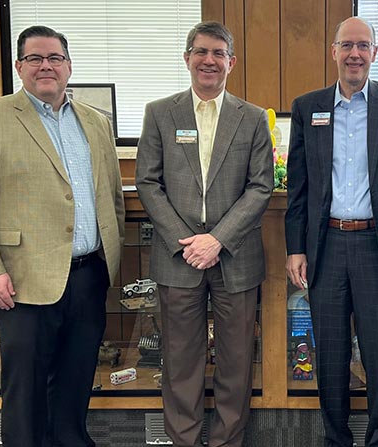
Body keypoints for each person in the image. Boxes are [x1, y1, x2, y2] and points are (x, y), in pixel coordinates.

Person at [0, 25, 125, 447]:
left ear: (69, 66)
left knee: (76, 383)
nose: (46, 66)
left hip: (88, 276)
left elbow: (112, 196)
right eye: (35, 58)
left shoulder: (96, 123)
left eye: (55, 58)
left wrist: (109, 260)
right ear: (19, 66)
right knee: (26, 390)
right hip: (21, 281)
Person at [285, 17, 378, 447]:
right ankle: (336, 440)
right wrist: (295, 248)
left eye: (363, 45)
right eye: (347, 45)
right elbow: (298, 186)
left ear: (375, 53)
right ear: (333, 51)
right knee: (331, 358)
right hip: (325, 247)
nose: (355, 54)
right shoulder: (308, 107)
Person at [135, 21, 273, 447]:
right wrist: (187, 241)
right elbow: (147, 182)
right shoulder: (160, 113)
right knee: (180, 362)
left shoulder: (252, 118)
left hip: (236, 257)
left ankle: (227, 441)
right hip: (178, 258)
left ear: (232, 62)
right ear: (187, 58)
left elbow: (260, 187)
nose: (208, 60)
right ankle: (184, 441)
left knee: (236, 362)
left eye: (218, 53)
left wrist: (217, 240)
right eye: (201, 52)